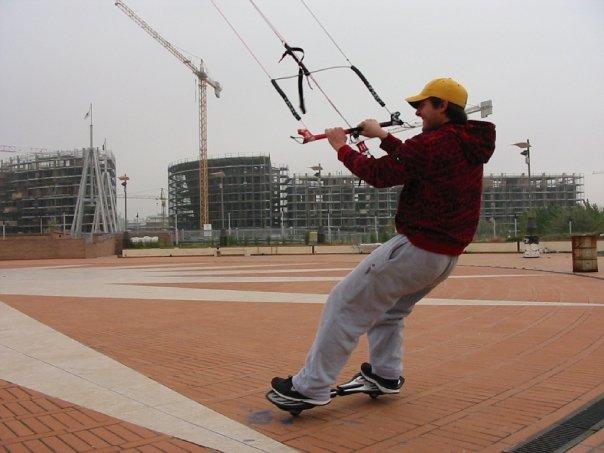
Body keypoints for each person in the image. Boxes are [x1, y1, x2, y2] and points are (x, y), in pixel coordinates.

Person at [270, 77, 496, 407]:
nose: (417, 112)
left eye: (422, 105)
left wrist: (341, 148)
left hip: (418, 247)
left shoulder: (433, 143)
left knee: (343, 303)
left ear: (443, 105)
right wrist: (383, 136)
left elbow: (379, 174)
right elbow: (416, 160)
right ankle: (385, 374)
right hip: (445, 257)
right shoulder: (464, 142)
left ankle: (310, 387)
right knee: (390, 311)